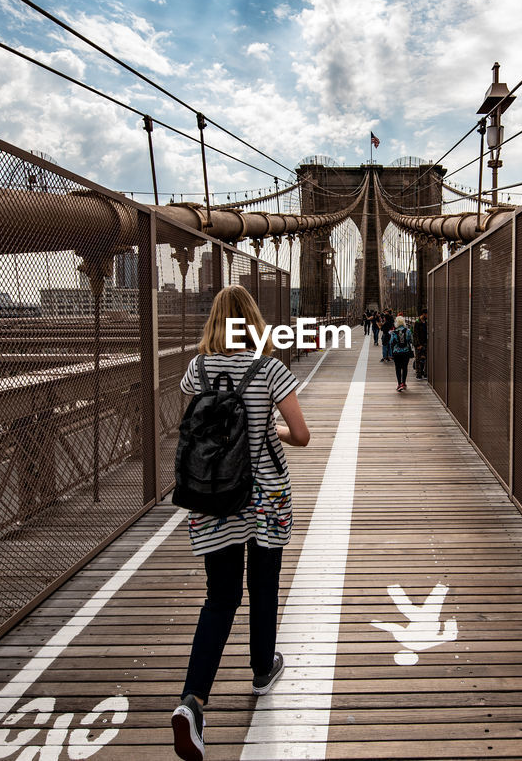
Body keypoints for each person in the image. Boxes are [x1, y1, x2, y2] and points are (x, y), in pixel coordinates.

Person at [171, 285, 311, 761]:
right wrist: (270, 427)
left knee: (221, 597)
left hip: (213, 499)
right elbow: (303, 435)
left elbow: (190, 422)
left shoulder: (198, 370)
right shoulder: (270, 369)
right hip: (265, 497)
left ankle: (193, 700)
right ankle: (260, 669)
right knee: (263, 589)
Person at [389, 315, 413, 391]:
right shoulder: (408, 331)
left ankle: (399, 384)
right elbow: (410, 340)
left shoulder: (394, 332)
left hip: (397, 352)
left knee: (398, 368)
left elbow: (391, 342)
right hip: (406, 352)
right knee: (405, 367)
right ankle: (404, 383)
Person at [413, 310, 428, 379]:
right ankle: (419, 373)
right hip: (419, 344)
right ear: (424, 314)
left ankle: (425, 372)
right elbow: (415, 334)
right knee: (418, 359)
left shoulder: (426, 322)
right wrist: (418, 345)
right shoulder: (417, 322)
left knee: (425, 358)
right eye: (427, 314)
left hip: (425, 343)